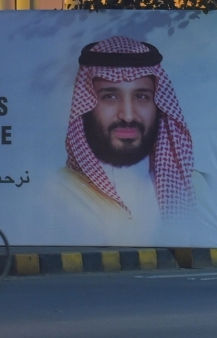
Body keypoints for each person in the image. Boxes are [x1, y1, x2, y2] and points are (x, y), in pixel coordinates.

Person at [58, 36, 206, 233]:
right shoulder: (57, 190)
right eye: (110, 97)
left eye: (141, 96)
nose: (127, 115)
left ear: (159, 106)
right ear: (85, 106)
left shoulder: (197, 186)